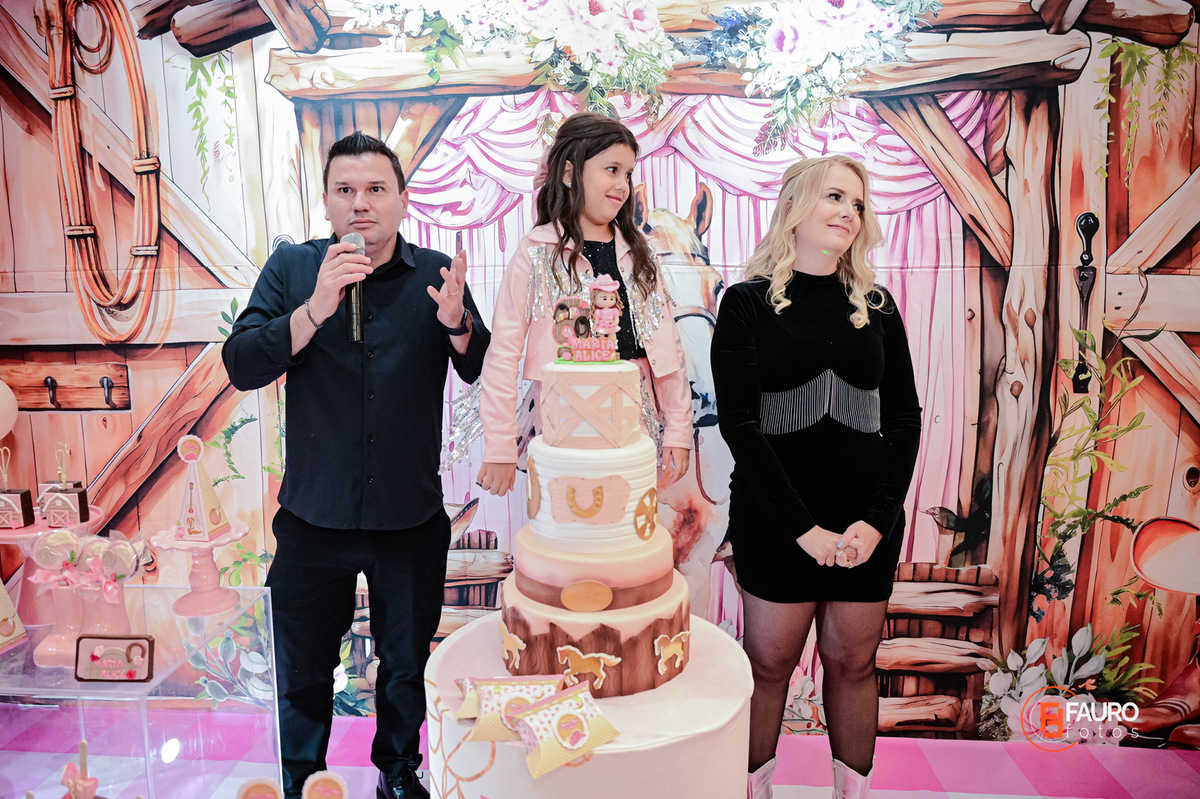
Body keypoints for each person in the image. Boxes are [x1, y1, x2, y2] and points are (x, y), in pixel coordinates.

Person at [222, 131, 490, 799]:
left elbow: (476, 361)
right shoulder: (293, 268)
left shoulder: (435, 273)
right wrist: (315, 308)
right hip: (313, 517)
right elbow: (242, 363)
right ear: (326, 201)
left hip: (409, 516)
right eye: (345, 190)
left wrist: (457, 324)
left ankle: (397, 772)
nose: (360, 203)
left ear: (403, 199)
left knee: (404, 665)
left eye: (376, 189)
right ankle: (302, 780)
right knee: (304, 668)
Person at [710, 155, 921, 799]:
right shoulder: (745, 303)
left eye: (857, 203)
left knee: (853, 664)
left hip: (864, 525)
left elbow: (904, 420)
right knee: (769, 665)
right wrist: (804, 530)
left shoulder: (876, 306)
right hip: (777, 522)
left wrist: (875, 523)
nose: (849, 213)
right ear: (795, 207)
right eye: (834, 197)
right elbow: (741, 426)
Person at [476, 112, 692, 495]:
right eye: (612, 169)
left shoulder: (639, 252)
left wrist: (678, 429)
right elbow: (504, 352)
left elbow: (666, 348)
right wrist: (500, 445)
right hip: (564, 420)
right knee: (570, 517)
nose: (622, 184)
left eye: (628, 174)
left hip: (636, 418)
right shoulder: (537, 250)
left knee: (627, 518)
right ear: (569, 173)